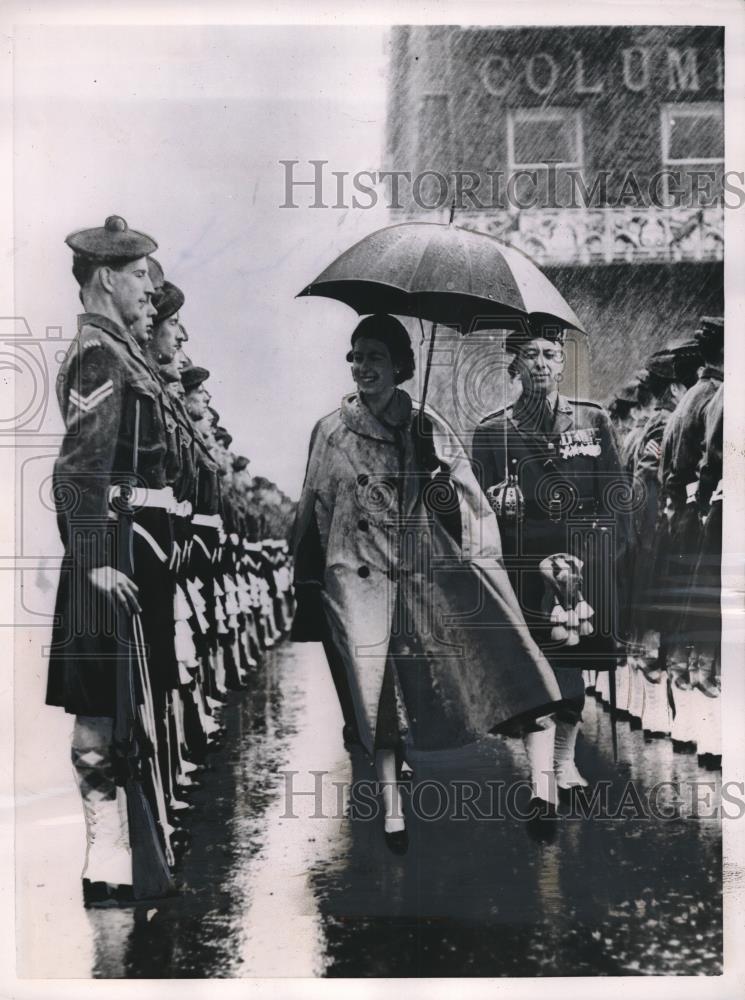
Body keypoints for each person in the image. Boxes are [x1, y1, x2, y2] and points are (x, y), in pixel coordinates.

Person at [293, 314, 564, 853]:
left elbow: (468, 504)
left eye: (373, 356)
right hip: (361, 580)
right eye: (355, 356)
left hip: (426, 576)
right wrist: (312, 580)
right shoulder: (329, 432)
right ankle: (393, 813)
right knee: (380, 696)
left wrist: (433, 480)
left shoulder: (427, 425)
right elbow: (312, 510)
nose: (360, 367)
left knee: (506, 665)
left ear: (399, 365)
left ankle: (543, 789)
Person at [46, 215, 175, 905]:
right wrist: (93, 559)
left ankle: (121, 850)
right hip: (108, 548)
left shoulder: (124, 351)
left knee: (128, 708)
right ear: (106, 277)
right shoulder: (100, 353)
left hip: (128, 547)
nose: (146, 286)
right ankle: (105, 855)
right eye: (138, 273)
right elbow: (77, 469)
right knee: (99, 708)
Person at [471, 323, 630, 797]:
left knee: (573, 665)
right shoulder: (492, 432)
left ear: (562, 362)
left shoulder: (592, 421)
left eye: (549, 354)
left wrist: (601, 562)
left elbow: (616, 501)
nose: (540, 363)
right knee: (532, 669)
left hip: (580, 566)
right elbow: (477, 516)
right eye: (530, 354)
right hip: (523, 568)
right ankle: (542, 772)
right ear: (513, 364)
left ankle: (565, 762)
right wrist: (498, 504)